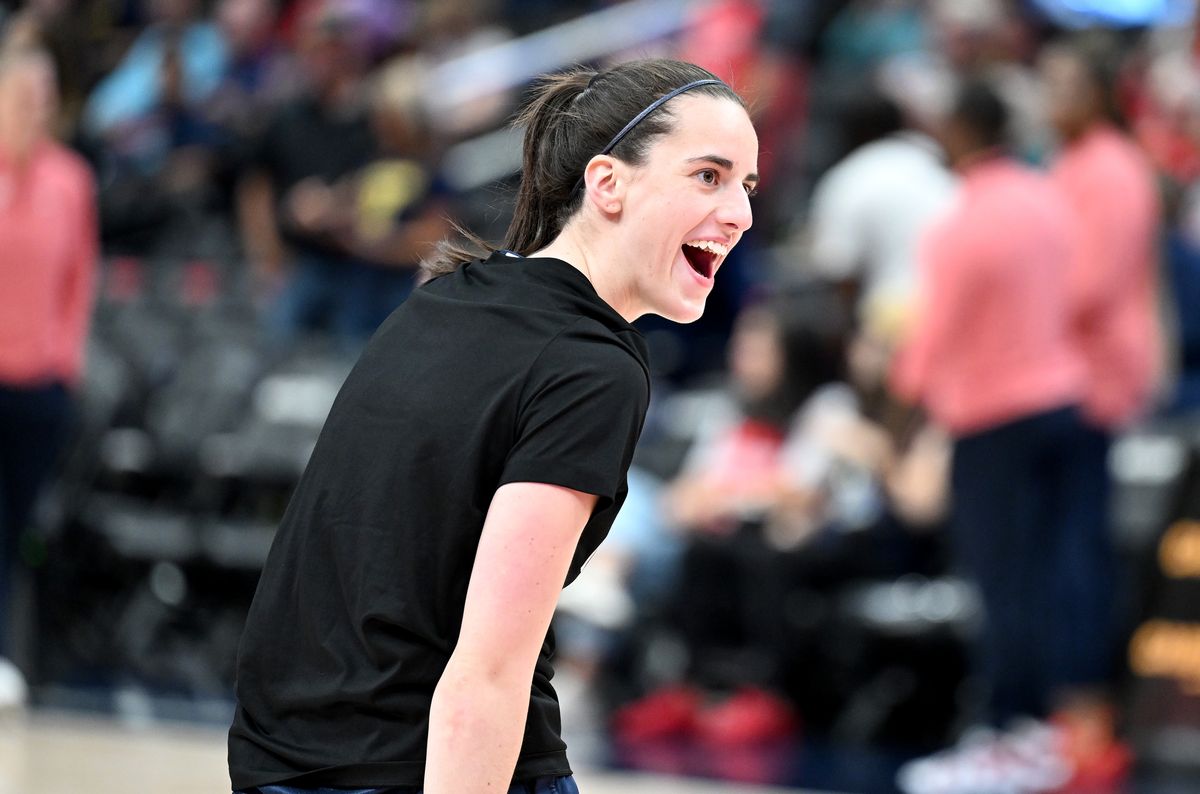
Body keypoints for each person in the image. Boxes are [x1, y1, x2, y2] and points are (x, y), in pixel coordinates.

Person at [227, 58, 759, 793]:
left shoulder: (443, 298)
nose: (742, 213)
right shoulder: (593, 369)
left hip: (279, 758)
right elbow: (487, 672)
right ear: (607, 183)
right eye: (709, 176)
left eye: (747, 186)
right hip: (423, 765)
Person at [891, 80, 1107, 794]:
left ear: (960, 132)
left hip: (994, 419)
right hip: (1066, 402)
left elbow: (933, 336)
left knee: (1001, 580)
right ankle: (1053, 730)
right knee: (1056, 575)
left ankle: (1012, 733)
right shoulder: (1049, 197)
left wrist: (901, 403)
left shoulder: (962, 223)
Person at [0, 46, 98, 706]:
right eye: (24, 89)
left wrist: (65, 360)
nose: (37, 101)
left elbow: (79, 277)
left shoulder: (71, 179)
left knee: (11, 526)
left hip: (38, 384)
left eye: (46, 90)